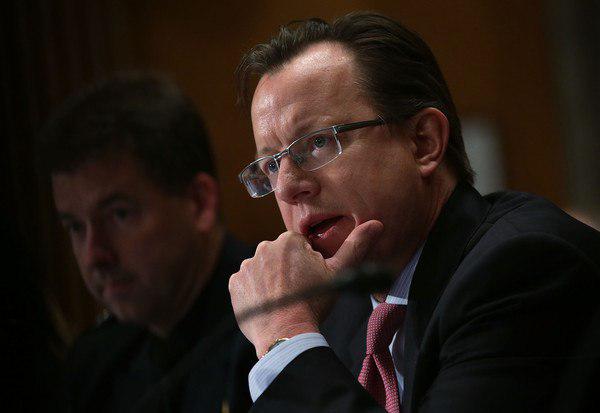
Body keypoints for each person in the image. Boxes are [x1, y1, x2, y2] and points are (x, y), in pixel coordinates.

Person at [228, 12, 600, 412]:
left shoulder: (524, 269)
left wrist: (285, 335)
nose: (287, 187)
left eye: (318, 142)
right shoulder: (337, 311)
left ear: (423, 142)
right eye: (271, 164)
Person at [38, 74, 254, 412]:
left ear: (199, 202)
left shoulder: (280, 326)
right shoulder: (94, 365)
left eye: (119, 215)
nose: (94, 255)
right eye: (76, 227)